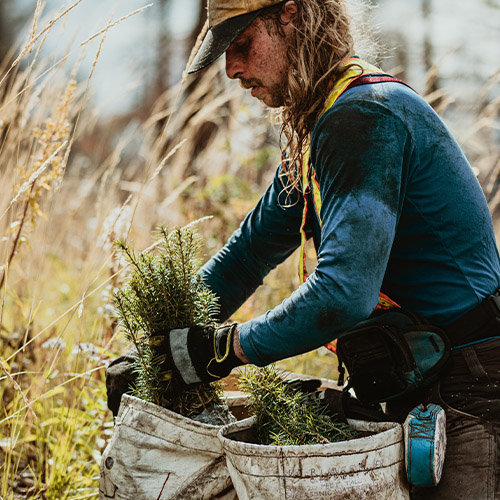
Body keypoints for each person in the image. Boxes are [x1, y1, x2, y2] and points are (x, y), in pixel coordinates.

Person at [107, 0, 500, 498]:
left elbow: (343, 293)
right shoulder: (322, 127)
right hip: (421, 386)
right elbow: (247, 255)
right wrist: (152, 354)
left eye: (243, 45)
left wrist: (219, 350)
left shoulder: (363, 119)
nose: (232, 69)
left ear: (291, 16)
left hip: (475, 392)